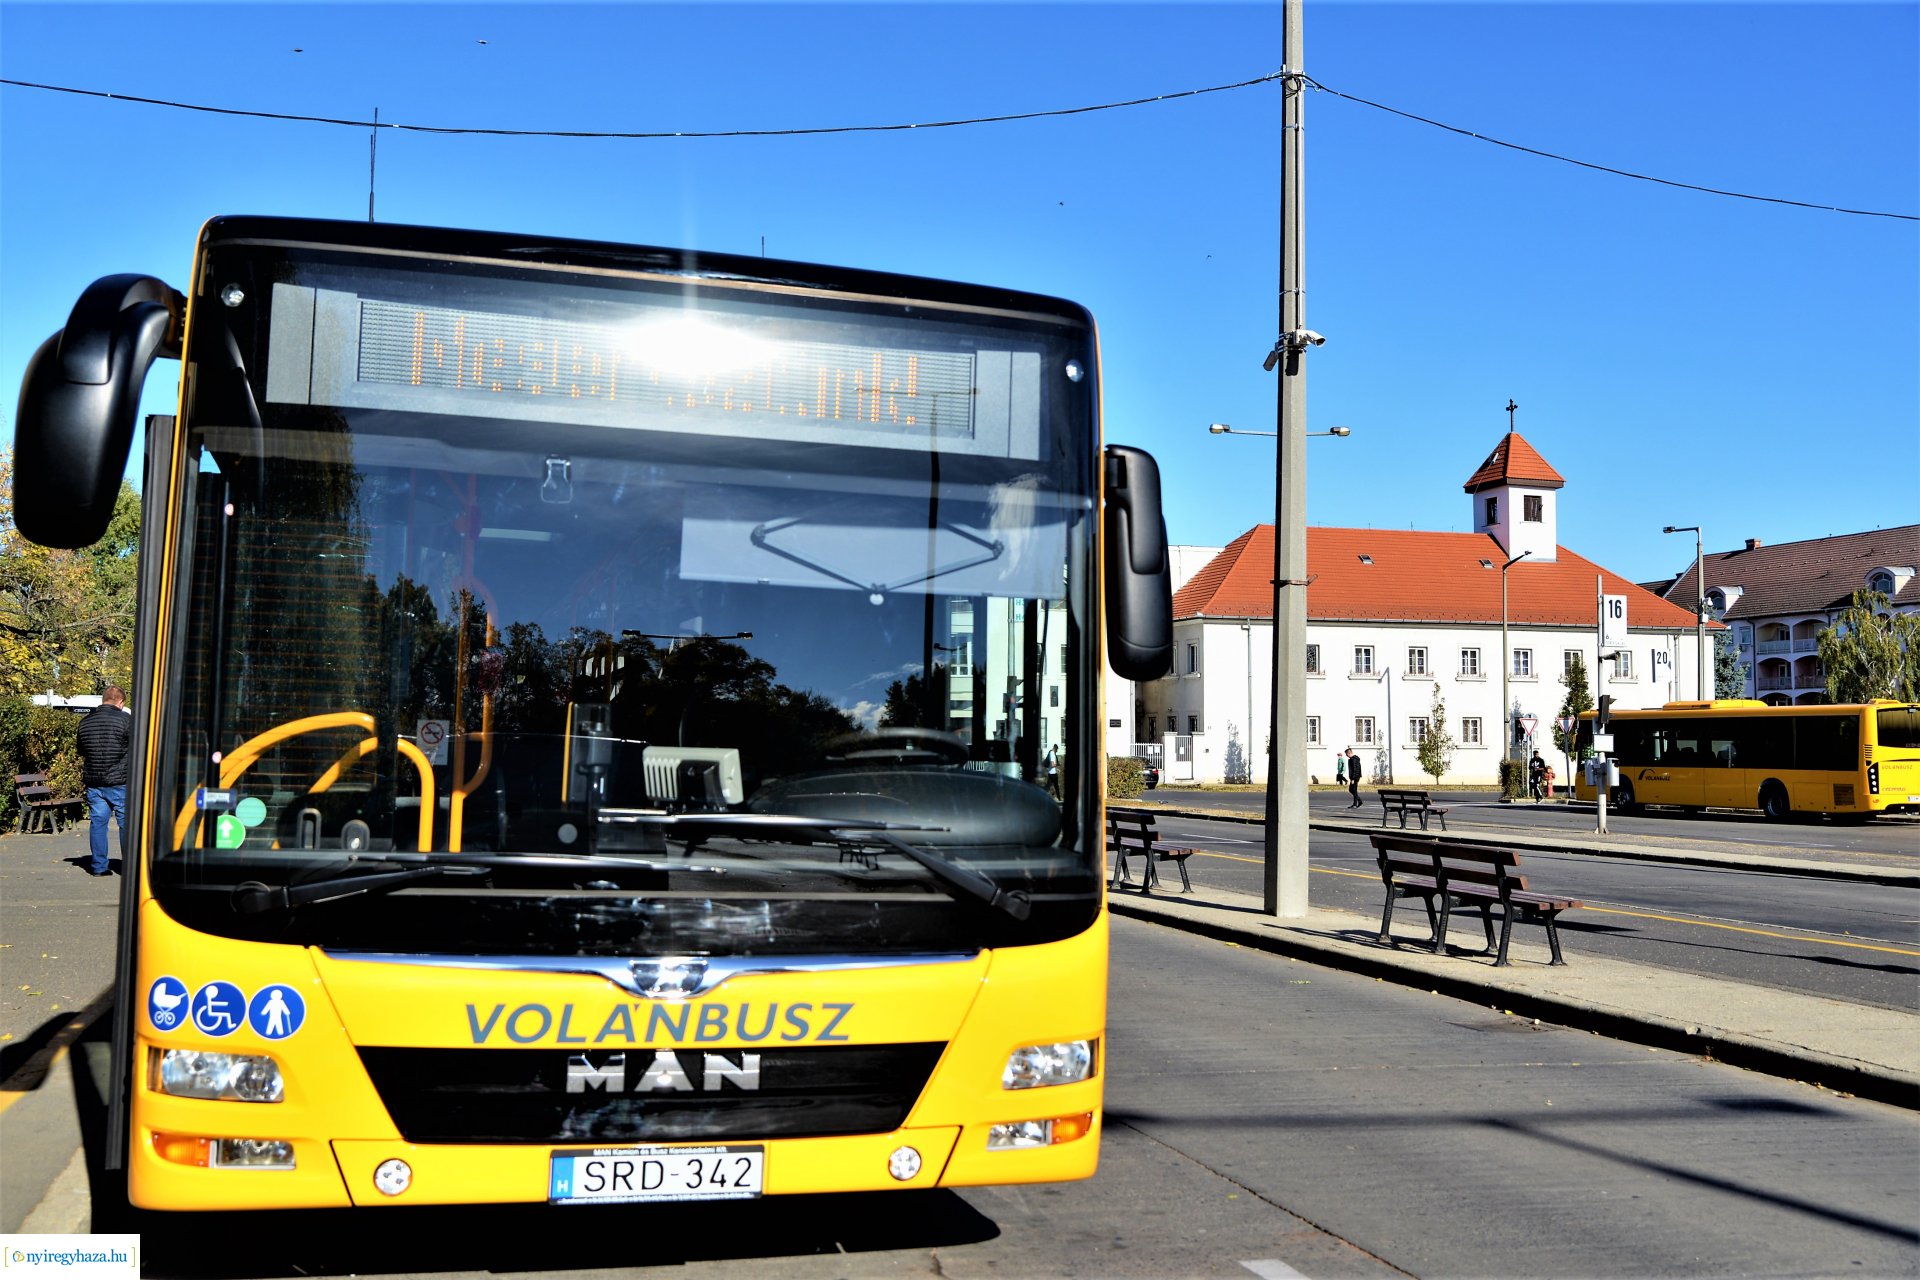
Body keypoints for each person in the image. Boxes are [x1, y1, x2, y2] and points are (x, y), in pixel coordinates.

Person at [76, 685, 132, 876]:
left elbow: (82, 751)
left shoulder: (85, 722)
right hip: (121, 782)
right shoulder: (127, 720)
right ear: (121, 702)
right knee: (126, 824)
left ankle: (99, 867)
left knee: (98, 824)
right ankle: (129, 868)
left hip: (94, 783)